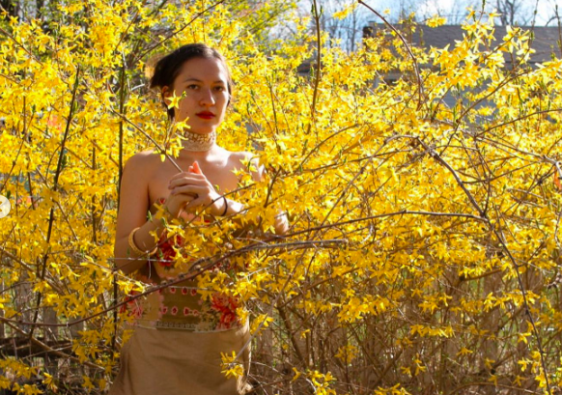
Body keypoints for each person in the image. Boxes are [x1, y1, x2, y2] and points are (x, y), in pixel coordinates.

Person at [109, 43, 288, 395]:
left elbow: (281, 232)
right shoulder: (144, 165)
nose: (208, 99)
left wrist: (223, 206)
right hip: (156, 343)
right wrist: (166, 214)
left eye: (219, 88)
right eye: (193, 87)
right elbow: (123, 262)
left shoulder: (247, 164)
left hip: (223, 344)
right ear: (167, 95)